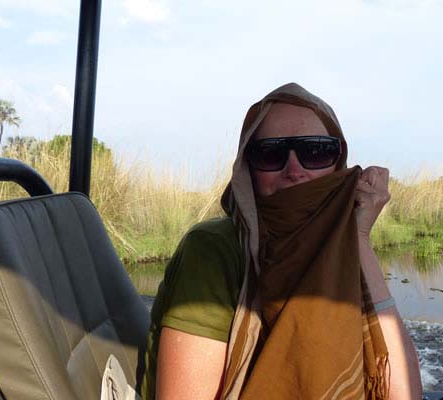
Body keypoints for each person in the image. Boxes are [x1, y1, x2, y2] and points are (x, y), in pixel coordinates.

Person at [141, 83, 422, 400]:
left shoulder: (342, 249)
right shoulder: (213, 249)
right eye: (271, 153)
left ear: (337, 164)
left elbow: (404, 394)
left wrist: (358, 237)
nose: (294, 170)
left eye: (315, 152)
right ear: (248, 167)